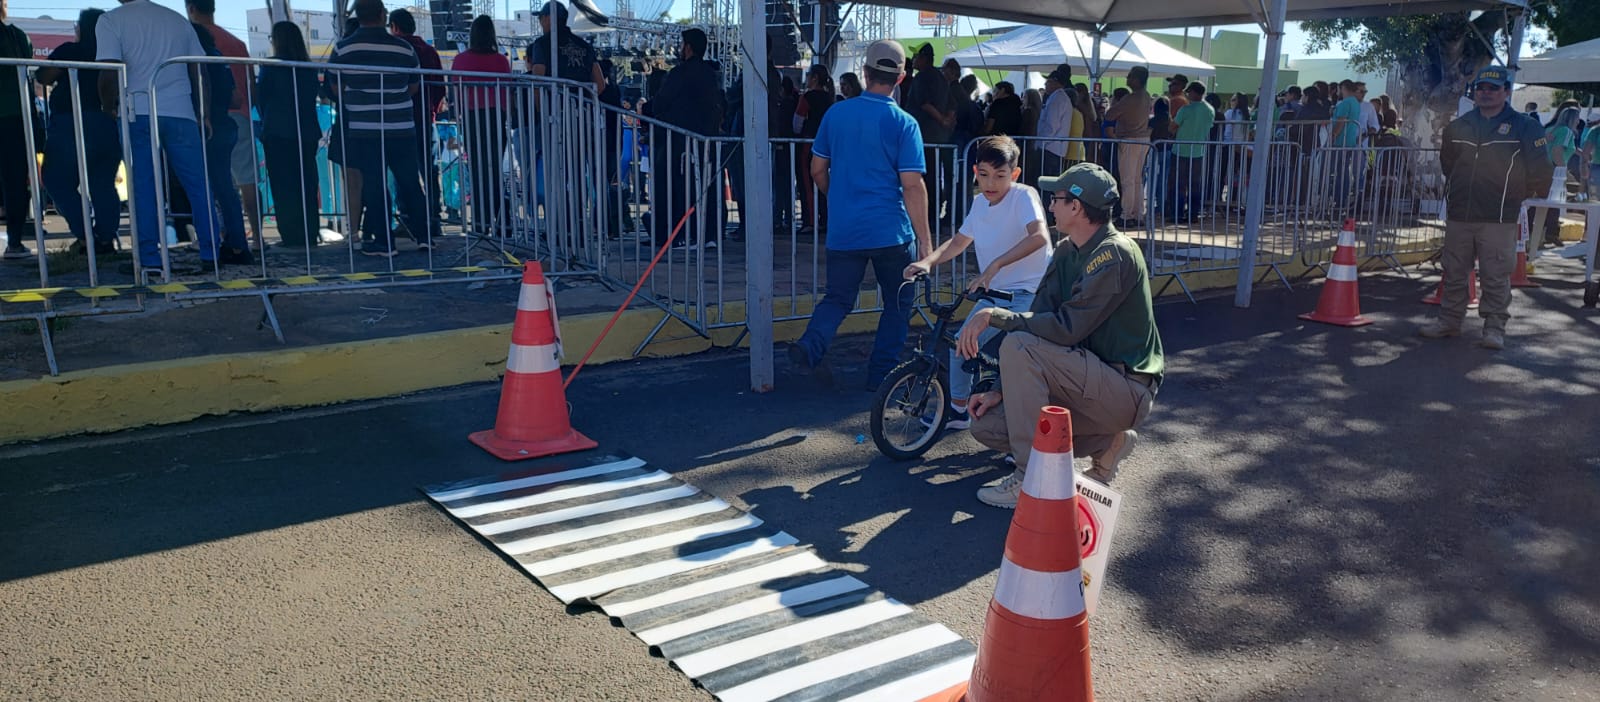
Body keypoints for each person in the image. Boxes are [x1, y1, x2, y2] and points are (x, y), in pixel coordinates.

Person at [964, 162, 1163, 507]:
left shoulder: (1114, 254)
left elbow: (1067, 328)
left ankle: (1032, 479)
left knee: (1019, 344)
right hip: (1083, 378)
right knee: (987, 425)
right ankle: (1108, 442)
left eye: (1056, 198)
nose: (1050, 205)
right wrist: (998, 389)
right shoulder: (1068, 250)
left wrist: (995, 316)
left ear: (1076, 206)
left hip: (1123, 388)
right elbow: (1040, 316)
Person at [787, 39, 932, 391]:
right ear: (901, 78)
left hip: (845, 229)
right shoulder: (905, 123)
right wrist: (926, 243)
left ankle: (811, 345)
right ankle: (881, 376)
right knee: (898, 303)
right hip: (891, 231)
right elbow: (912, 186)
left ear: (865, 73)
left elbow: (817, 169)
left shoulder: (836, 114)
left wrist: (835, 197)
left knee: (838, 298)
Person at [904, 136, 1050, 427]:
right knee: (961, 344)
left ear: (1015, 174)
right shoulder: (979, 203)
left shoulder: (1024, 196)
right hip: (995, 293)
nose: (990, 183)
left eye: (1000, 175)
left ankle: (1011, 411)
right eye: (984, 175)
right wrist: (927, 262)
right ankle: (959, 410)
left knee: (1013, 354)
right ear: (975, 172)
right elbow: (959, 241)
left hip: (1030, 292)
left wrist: (995, 265)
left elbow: (1040, 237)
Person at [1420, 67, 1552, 351]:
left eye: (1493, 88)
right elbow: (1448, 163)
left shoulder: (1525, 126)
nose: (1486, 93)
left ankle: (1494, 328)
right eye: (1481, 88)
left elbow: (1541, 167)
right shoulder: (1459, 126)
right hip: (1460, 213)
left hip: (1499, 216)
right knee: (1454, 270)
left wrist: (1521, 195)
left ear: (1506, 91)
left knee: (1495, 274)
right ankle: (1449, 321)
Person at [97, 0, 227, 273]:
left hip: (138, 110)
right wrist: (203, 112)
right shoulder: (177, 20)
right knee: (198, 184)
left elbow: (109, 70)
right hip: (181, 111)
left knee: (144, 186)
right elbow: (198, 70)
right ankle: (211, 252)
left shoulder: (111, 20)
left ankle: (149, 258)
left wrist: (108, 105)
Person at [327, 0, 433, 258]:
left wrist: (357, 99)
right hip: (401, 125)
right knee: (410, 181)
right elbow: (413, 85)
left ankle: (385, 243)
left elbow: (335, 86)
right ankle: (425, 236)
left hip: (364, 128)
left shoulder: (343, 48)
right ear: (383, 15)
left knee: (374, 184)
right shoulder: (404, 48)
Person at [38, 9, 121, 256]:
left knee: (56, 180)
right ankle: (105, 238)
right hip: (107, 122)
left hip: (70, 123)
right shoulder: (113, 55)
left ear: (81, 28)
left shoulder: (71, 50)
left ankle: (86, 235)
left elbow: (44, 76)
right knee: (103, 183)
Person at [187, 0, 261, 250]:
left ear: (191, 9)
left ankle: (214, 236)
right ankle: (257, 237)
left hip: (206, 118)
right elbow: (251, 84)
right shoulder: (236, 43)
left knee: (211, 180)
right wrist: (247, 107)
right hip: (239, 115)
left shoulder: (192, 41)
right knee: (247, 180)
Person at [642, 27, 723, 249]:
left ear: (688, 48)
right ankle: (707, 234)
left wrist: (646, 108)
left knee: (676, 187)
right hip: (706, 140)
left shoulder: (680, 73)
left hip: (678, 141)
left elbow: (661, 102)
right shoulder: (711, 75)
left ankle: (678, 234)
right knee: (705, 187)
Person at [256, 21, 322, 249]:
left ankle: (291, 235)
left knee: (283, 186)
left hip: (278, 130)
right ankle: (310, 231)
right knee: (307, 182)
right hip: (307, 131)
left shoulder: (271, 66)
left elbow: (262, 97)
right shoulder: (307, 67)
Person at [451, 15, 513, 235]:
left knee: (477, 170)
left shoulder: (461, 60)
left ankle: (480, 222)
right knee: (495, 170)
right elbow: (506, 93)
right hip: (496, 118)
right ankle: (503, 221)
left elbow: (456, 93)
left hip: (471, 118)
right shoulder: (501, 61)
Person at [389, 8, 444, 243]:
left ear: (394, 26)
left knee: (403, 172)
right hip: (426, 118)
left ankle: (408, 220)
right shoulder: (429, 51)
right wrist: (433, 108)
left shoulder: (396, 48)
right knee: (430, 171)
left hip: (400, 120)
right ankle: (434, 219)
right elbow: (440, 86)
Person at [0, 1, 36, 259]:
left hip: (13, 113)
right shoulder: (16, 36)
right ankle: (14, 242)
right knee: (14, 179)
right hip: (13, 115)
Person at [1102, 66, 1153, 227]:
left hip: (1129, 139)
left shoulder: (1130, 98)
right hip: (1143, 139)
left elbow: (1110, 114)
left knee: (1127, 180)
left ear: (1136, 79)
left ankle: (1126, 215)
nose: (1127, 79)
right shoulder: (1146, 96)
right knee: (1137, 179)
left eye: (1130, 76)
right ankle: (1138, 213)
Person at [794, 63, 834, 237]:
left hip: (808, 144)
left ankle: (810, 221)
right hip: (826, 144)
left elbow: (797, 123)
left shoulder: (807, 97)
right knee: (825, 181)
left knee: (807, 182)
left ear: (815, 78)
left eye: (809, 75)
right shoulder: (829, 98)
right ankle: (825, 219)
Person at [1169, 81, 1214, 221]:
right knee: (1195, 185)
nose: (1187, 95)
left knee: (1178, 184)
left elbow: (1172, 127)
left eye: (1189, 92)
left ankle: (1177, 214)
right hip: (1198, 152)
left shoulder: (1185, 109)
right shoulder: (1210, 110)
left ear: (1194, 92)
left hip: (1180, 151)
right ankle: (1193, 214)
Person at [1037, 65, 1075, 179]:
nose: (1045, 84)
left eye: (1048, 82)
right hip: (1054, 148)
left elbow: (1051, 126)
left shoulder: (1057, 99)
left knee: (1046, 181)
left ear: (1055, 82)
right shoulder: (1058, 97)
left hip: (1050, 148)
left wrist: (1040, 144)